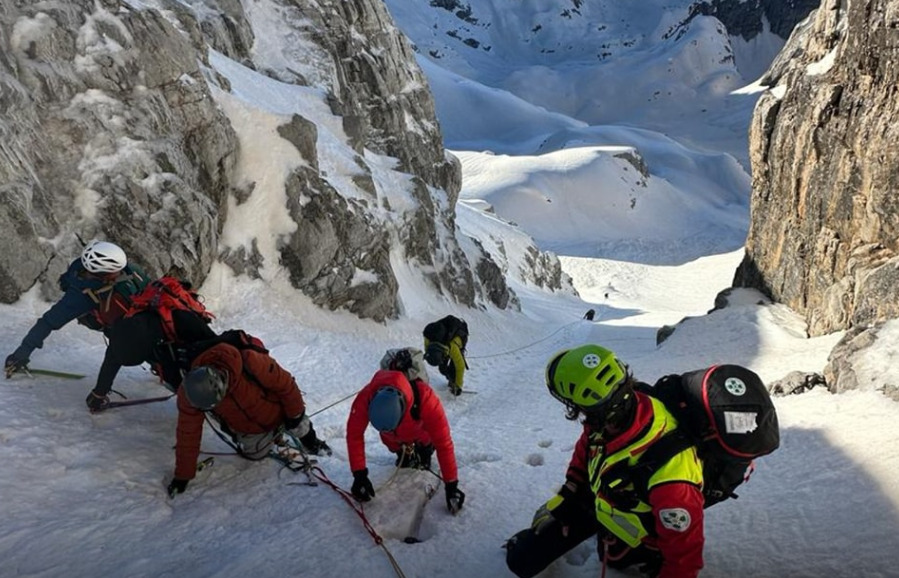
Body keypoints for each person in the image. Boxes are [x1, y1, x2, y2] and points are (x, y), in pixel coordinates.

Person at [505, 344, 704, 578]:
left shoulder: (672, 479)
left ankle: (645, 552)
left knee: (615, 558)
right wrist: (570, 492)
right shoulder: (615, 409)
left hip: (640, 524)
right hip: (605, 496)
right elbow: (587, 446)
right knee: (522, 559)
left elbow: (684, 560)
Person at [166, 340, 331, 498]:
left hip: (278, 411)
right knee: (255, 454)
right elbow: (188, 433)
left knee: (299, 425)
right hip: (249, 429)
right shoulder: (190, 395)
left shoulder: (250, 362)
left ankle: (311, 441)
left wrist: (295, 417)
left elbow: (286, 385)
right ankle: (275, 438)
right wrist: (183, 475)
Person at [346, 347, 465, 514]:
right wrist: (359, 475)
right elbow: (354, 435)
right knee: (402, 456)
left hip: (421, 434)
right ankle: (405, 454)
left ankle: (423, 453)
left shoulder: (425, 398)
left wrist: (451, 485)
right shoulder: (366, 397)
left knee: (424, 453)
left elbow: (443, 442)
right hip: (393, 440)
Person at [5, 241, 149, 377]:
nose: (120, 272)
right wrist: (20, 355)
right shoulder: (80, 296)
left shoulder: (85, 266)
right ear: (101, 273)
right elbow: (47, 323)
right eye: (115, 271)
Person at [84, 309, 218, 412]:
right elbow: (111, 363)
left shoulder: (183, 321)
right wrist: (98, 394)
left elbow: (218, 347)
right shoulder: (122, 335)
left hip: (187, 334)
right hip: (158, 340)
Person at [421, 315, 469, 395]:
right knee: (442, 368)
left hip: (460, 333)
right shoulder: (428, 336)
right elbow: (428, 350)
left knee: (454, 368)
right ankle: (450, 377)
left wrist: (458, 386)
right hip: (444, 339)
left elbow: (460, 366)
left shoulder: (452, 346)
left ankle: (453, 382)